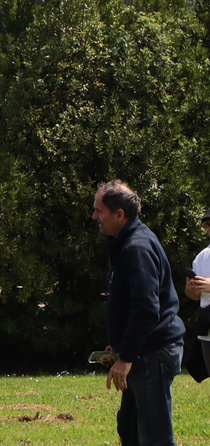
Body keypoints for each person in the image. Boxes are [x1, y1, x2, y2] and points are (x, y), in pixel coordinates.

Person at [93, 179, 184, 446]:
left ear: (119, 215)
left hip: (152, 354)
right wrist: (119, 345)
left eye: (99, 210)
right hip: (142, 352)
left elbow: (146, 310)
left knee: (154, 436)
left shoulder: (137, 248)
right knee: (130, 428)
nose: (94, 216)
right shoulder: (129, 242)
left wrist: (127, 357)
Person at [183, 207, 210, 376]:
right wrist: (191, 289)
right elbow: (194, 296)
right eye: (209, 224)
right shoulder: (202, 257)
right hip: (208, 333)